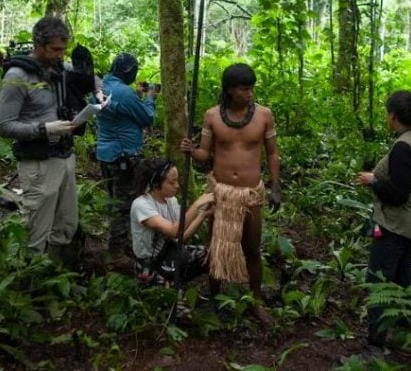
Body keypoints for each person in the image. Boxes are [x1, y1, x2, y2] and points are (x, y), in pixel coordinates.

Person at [179, 63, 282, 324]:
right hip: (221, 193)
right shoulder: (212, 116)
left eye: (251, 88)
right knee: (218, 247)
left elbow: (272, 152)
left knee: (252, 248)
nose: (250, 93)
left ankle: (256, 301)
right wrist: (191, 150)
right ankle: (215, 298)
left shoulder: (264, 115)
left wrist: (276, 186)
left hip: (250, 194)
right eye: (244, 89)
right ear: (230, 90)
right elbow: (205, 154)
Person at [355, 90, 411, 359]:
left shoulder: (403, 146)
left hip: (395, 226)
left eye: (388, 114)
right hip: (410, 226)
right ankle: (401, 339)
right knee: (400, 281)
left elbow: (398, 194)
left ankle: (375, 346)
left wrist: (373, 181)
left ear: (393, 115)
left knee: (379, 283)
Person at [0, 16, 78, 264]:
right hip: (38, 163)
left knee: (66, 222)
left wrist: (97, 90)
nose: (60, 55)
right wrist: (44, 129)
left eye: (64, 50)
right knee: (36, 228)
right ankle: (30, 281)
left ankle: (55, 272)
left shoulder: (60, 70)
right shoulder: (17, 76)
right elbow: (4, 126)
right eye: (55, 49)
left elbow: (89, 80)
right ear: (38, 45)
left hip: (64, 156)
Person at [96, 52, 158, 265]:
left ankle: (118, 245)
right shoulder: (124, 93)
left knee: (113, 199)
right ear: (129, 71)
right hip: (123, 156)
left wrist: (135, 95)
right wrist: (150, 97)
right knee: (123, 204)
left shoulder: (103, 86)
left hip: (106, 154)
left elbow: (119, 112)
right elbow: (146, 117)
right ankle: (116, 252)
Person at [130, 157, 214, 286]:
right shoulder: (141, 205)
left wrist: (202, 215)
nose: (177, 186)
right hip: (151, 265)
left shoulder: (171, 201)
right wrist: (196, 205)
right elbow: (173, 231)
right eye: (172, 182)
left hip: (169, 255)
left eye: (177, 181)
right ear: (157, 184)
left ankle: (183, 285)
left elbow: (181, 237)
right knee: (174, 302)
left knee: (212, 256)